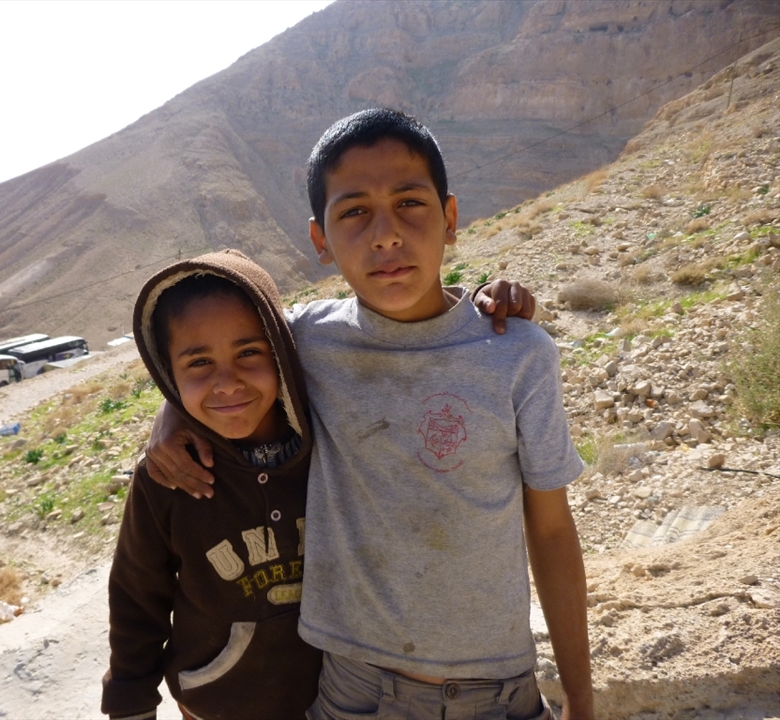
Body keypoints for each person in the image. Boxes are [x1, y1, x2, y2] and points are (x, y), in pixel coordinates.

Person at [146, 108, 594, 719]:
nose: (385, 234)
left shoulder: (518, 355)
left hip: (496, 694)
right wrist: (170, 415)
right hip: (351, 691)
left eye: (410, 202)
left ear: (451, 218)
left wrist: (581, 697)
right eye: (354, 212)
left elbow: (549, 530)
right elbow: (218, 362)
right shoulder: (305, 344)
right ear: (320, 241)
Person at [101, 249, 323, 720]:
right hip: (216, 705)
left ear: (280, 350)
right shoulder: (168, 475)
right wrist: (129, 700)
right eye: (199, 362)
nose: (227, 382)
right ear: (167, 370)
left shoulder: (330, 445)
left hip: (337, 700)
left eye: (248, 353)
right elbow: (137, 594)